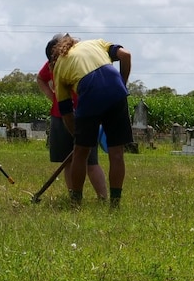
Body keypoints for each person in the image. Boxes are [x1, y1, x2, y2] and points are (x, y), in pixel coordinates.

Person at [50, 34, 132, 209]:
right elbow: (126, 55)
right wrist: (122, 85)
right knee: (116, 152)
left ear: (54, 55)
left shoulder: (59, 66)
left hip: (89, 92)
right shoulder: (96, 43)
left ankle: (76, 203)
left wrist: (78, 139)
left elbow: (65, 111)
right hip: (116, 89)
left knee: (81, 154)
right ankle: (115, 205)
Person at [36, 34, 107, 200]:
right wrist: (52, 96)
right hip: (60, 116)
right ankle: (74, 196)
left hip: (83, 116)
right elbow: (40, 78)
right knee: (67, 161)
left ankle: (103, 198)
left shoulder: (80, 61)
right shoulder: (52, 63)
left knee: (90, 162)